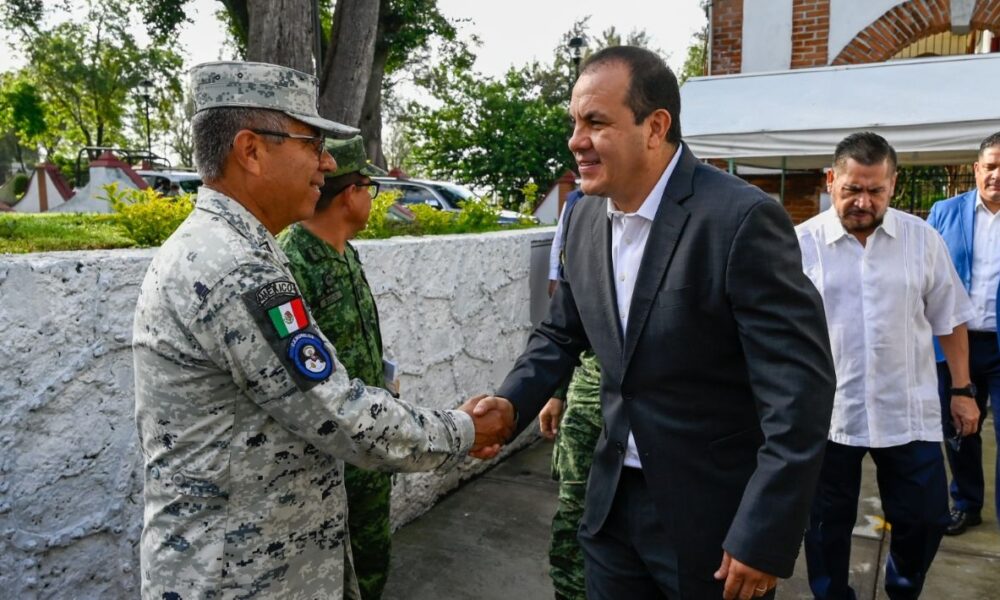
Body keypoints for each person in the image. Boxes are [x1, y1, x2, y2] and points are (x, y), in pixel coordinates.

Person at [132, 61, 511, 600]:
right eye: (311, 143)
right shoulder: (232, 267)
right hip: (237, 578)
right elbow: (340, 413)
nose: (327, 163)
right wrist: (465, 431)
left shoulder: (238, 248)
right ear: (251, 150)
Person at [475, 46, 836, 599]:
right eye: (575, 121)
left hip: (713, 524)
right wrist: (510, 404)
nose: (576, 139)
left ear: (655, 126)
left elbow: (799, 394)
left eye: (596, 122)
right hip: (611, 509)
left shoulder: (740, 220)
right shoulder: (584, 216)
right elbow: (560, 333)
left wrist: (764, 531)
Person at [797, 132, 979, 599]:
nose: (863, 201)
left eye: (875, 190)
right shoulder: (800, 245)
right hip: (827, 414)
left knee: (926, 518)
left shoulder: (922, 241)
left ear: (893, 184)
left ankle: (903, 588)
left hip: (909, 410)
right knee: (821, 526)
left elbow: (950, 319)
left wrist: (962, 390)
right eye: (852, 189)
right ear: (831, 178)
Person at [277, 134, 394, 600]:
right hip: (326, 455)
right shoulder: (293, 259)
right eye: (370, 187)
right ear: (351, 193)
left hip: (369, 439)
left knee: (371, 554)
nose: (371, 198)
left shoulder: (346, 250)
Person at [927, 131, 1000, 536]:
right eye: (990, 166)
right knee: (959, 430)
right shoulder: (944, 212)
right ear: (976, 169)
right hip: (954, 346)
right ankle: (967, 503)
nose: (996, 175)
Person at [538, 351, 600, 600]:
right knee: (574, 510)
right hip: (587, 407)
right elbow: (566, 333)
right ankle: (570, 592)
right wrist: (557, 393)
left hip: (653, 410)